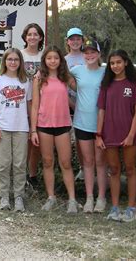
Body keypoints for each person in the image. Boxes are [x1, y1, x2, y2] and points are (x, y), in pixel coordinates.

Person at [96, 49, 136, 222]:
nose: (115, 66)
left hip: (129, 134)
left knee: (130, 169)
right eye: (112, 63)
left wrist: (132, 134)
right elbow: (101, 111)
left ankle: (131, 207)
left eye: (118, 62)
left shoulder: (135, 83)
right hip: (109, 133)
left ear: (125, 62)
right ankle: (115, 207)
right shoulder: (106, 84)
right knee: (114, 170)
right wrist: (99, 134)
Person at [30, 45, 78, 213]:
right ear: (44, 60)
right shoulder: (39, 79)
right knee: (48, 162)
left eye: (56, 58)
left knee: (65, 163)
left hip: (63, 125)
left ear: (60, 60)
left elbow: (82, 87)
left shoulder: (66, 77)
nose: (52, 61)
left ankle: (72, 199)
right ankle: (51, 197)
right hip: (44, 126)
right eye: (49, 58)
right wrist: (33, 130)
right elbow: (35, 106)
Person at [0, 48, 32, 212]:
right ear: (4, 61)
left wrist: (32, 128)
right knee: (3, 163)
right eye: (9, 59)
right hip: (3, 127)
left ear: (20, 62)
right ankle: (4, 196)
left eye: (16, 60)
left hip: (21, 128)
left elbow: (29, 105)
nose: (13, 62)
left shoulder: (25, 81)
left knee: (20, 163)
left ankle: (19, 196)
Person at [70, 38, 107, 213]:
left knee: (100, 161)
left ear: (99, 54)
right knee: (87, 161)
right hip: (81, 122)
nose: (89, 55)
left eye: (93, 52)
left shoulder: (106, 72)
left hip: (101, 124)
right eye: (86, 52)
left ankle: (101, 198)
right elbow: (60, 79)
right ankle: (89, 198)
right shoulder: (76, 70)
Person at [20, 23, 44, 190]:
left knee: (36, 142)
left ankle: (33, 175)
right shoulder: (19, 55)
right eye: (29, 34)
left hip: (42, 104)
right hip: (21, 103)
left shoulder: (45, 56)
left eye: (36, 34)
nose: (33, 37)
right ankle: (21, 176)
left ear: (40, 37)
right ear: (25, 37)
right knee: (23, 142)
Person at [65, 27, 85, 181]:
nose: (75, 41)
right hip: (69, 105)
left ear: (82, 40)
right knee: (70, 139)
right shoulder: (64, 60)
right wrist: (71, 104)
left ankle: (86, 168)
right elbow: (62, 85)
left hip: (87, 105)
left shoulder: (89, 57)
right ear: (68, 41)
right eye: (72, 39)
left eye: (78, 38)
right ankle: (72, 170)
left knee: (84, 138)